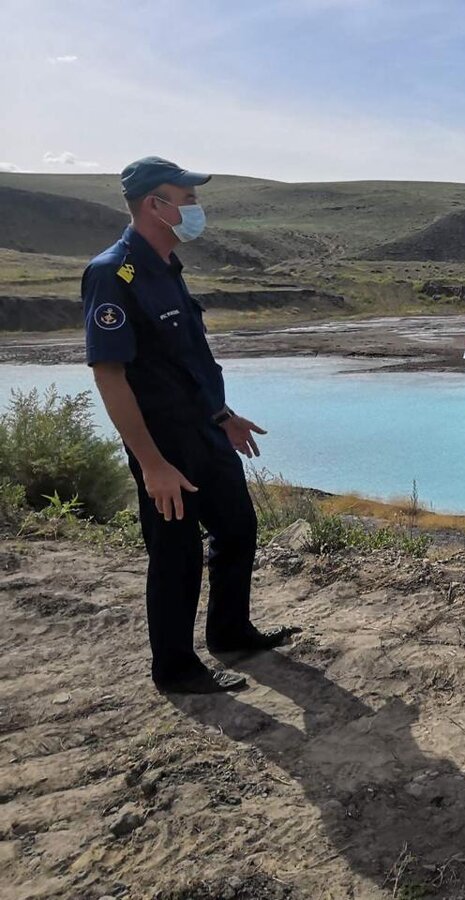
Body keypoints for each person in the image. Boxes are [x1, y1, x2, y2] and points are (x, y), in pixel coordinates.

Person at [83, 156, 296, 694]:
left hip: (205, 430)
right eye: (188, 199)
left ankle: (230, 632)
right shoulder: (114, 272)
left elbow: (185, 360)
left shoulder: (168, 267)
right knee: (176, 552)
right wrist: (152, 464)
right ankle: (176, 670)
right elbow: (110, 376)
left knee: (238, 528)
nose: (197, 208)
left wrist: (223, 416)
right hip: (163, 442)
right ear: (155, 204)